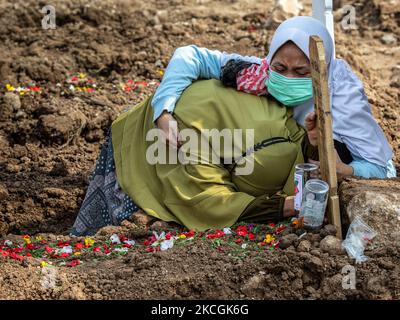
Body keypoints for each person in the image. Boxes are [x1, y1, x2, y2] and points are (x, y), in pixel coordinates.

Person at [152, 16, 396, 180]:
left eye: (301, 72)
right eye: (280, 69)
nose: (288, 77)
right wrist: (163, 112)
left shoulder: (342, 96)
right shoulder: (259, 72)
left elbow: (382, 168)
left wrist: (346, 170)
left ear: (321, 68)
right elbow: (189, 56)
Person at [71, 78, 319, 236]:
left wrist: (312, 142)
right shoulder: (191, 146)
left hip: (201, 118)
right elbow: (207, 202)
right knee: (138, 205)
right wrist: (284, 206)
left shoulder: (278, 116)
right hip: (146, 138)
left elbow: (296, 151)